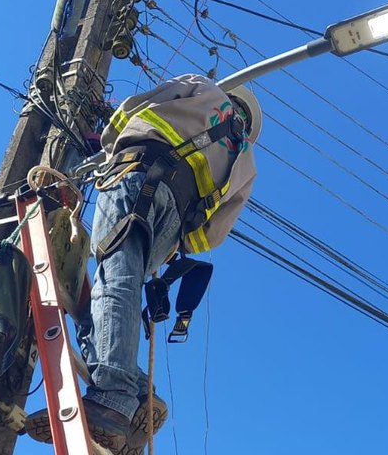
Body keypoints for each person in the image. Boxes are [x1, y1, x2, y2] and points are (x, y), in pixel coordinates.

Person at [26, 74, 262, 453]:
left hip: (136, 175)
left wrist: (107, 147)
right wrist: (169, 242)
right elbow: (210, 236)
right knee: (112, 289)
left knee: (113, 280)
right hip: (172, 224)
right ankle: (137, 392)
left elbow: (133, 110)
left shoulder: (203, 88)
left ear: (234, 99)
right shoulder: (246, 161)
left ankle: (113, 399)